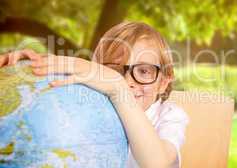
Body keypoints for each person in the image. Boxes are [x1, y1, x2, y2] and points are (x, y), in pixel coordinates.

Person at [0, 21, 189, 168]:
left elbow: (157, 163)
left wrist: (117, 87)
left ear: (163, 83)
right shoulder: (90, 102)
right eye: (114, 72)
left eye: (144, 72)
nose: (128, 82)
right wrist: (23, 69)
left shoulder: (170, 116)